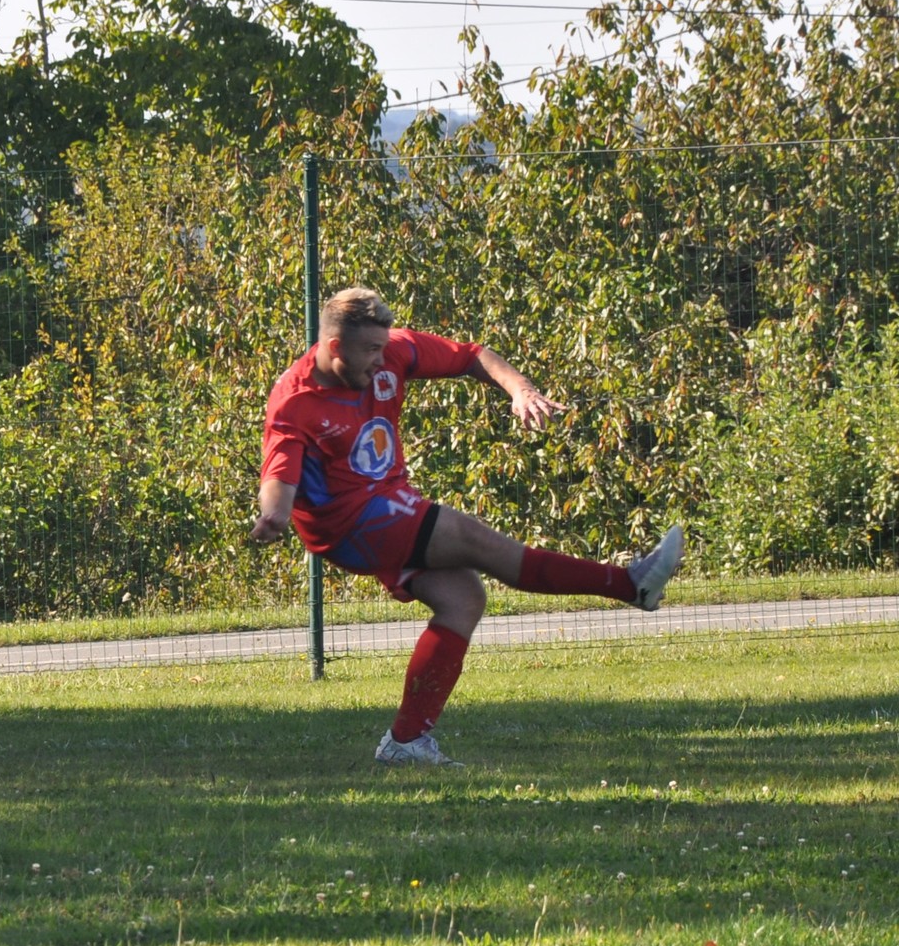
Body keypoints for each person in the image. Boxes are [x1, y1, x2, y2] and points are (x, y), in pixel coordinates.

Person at [252, 286, 684, 766]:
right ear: (335, 348)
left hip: (389, 502)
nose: (381, 359)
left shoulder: (393, 352)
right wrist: (275, 514)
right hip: (349, 525)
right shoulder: (294, 399)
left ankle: (406, 742)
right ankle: (627, 584)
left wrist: (520, 388)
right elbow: (279, 475)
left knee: (462, 599)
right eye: (370, 350)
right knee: (476, 539)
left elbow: (473, 356)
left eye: (383, 347)